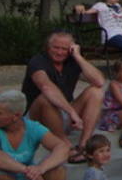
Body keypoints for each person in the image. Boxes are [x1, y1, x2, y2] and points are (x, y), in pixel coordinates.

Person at [22, 31, 106, 163]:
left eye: (64, 49)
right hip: (37, 119)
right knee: (45, 97)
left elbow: (99, 81)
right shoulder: (38, 61)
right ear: (48, 47)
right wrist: (72, 112)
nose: (60, 52)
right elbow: (46, 87)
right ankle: (64, 144)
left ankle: (84, 145)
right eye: (56, 47)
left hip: (62, 115)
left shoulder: (71, 61)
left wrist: (78, 57)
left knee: (96, 92)